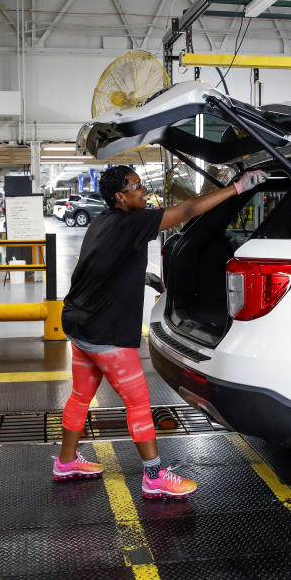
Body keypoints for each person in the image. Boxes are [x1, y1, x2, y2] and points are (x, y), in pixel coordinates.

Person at [53, 164, 266, 498]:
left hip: (78, 325)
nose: (143, 191)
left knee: (81, 395)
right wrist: (237, 190)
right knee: (138, 402)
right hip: (105, 333)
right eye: (136, 187)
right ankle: (154, 478)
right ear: (120, 197)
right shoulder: (135, 221)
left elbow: (101, 264)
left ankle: (66, 462)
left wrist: (144, 278)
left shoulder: (102, 222)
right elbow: (188, 210)